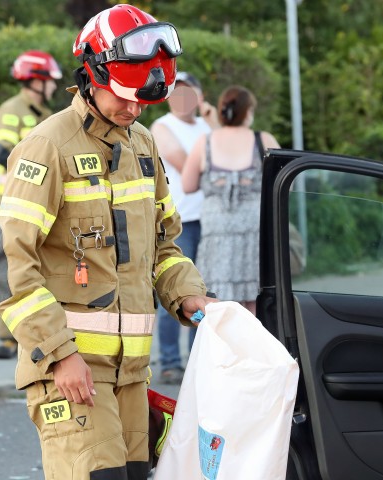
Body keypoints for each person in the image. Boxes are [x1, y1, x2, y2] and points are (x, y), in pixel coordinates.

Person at [0, 4, 217, 479]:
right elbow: (8, 262)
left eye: (143, 101)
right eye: (124, 96)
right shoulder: (48, 146)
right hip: (71, 374)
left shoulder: (143, 145)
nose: (133, 109)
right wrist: (59, 355)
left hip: (133, 374)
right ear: (91, 75)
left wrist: (189, 296)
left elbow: (164, 246)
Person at [182, 85, 279, 315]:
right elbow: (284, 182)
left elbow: (187, 185)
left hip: (217, 238)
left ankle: (226, 350)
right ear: (248, 112)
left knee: (219, 305)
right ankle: (254, 349)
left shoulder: (205, 142)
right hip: (254, 233)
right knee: (256, 300)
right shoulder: (263, 140)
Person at [0, 50, 63, 359]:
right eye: (49, 81)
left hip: (40, 202)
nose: (52, 87)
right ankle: (7, 337)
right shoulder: (12, 110)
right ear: (35, 81)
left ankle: (36, 331)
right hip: (13, 201)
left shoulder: (42, 113)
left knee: (38, 268)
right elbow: (1, 152)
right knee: (13, 266)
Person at [149, 71, 218, 384]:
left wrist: (213, 121)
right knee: (173, 290)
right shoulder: (162, 127)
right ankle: (169, 361)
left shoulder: (207, 127)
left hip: (210, 220)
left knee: (202, 294)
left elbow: (233, 149)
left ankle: (196, 358)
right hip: (180, 222)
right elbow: (182, 163)